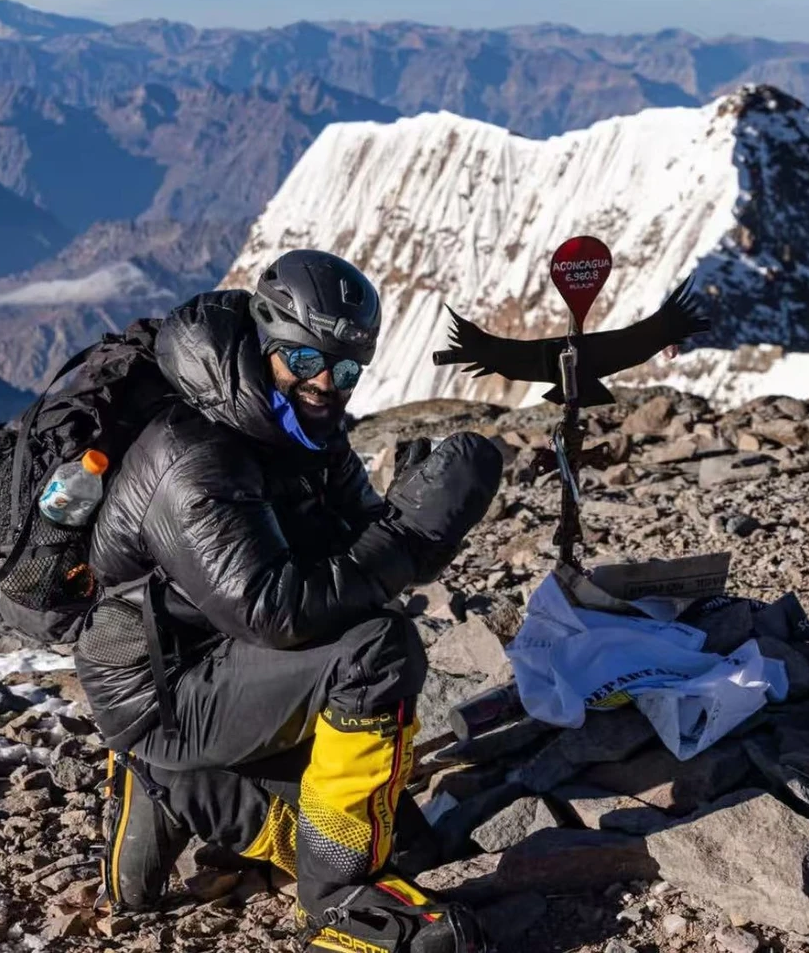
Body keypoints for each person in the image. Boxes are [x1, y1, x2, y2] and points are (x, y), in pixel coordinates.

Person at [74, 249, 502, 953]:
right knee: (376, 650)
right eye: (304, 360)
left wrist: (414, 515)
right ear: (263, 340)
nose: (325, 385)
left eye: (345, 369)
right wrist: (409, 534)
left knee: (420, 855)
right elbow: (279, 612)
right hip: (163, 688)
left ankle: (167, 785)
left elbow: (359, 539)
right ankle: (336, 901)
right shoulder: (194, 456)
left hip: (223, 662)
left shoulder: (305, 426)